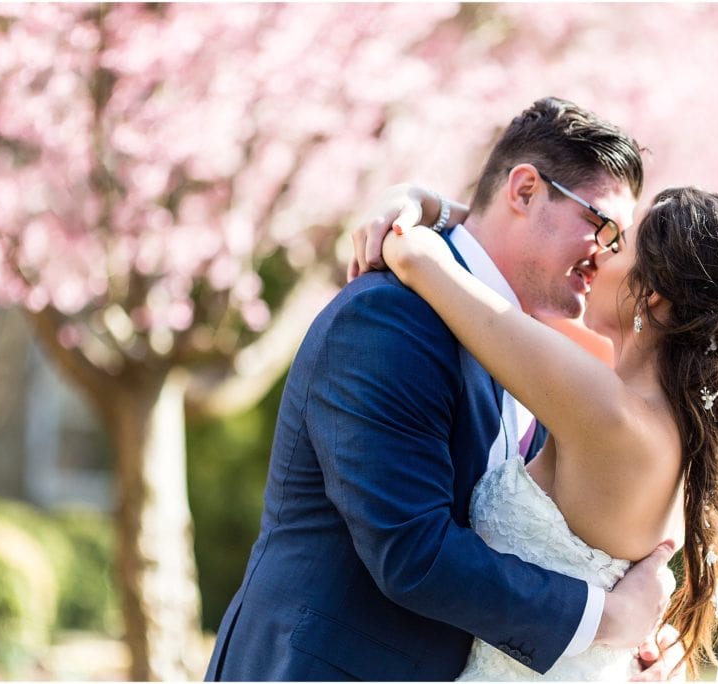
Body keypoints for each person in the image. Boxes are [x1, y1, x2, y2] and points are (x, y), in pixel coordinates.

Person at [204, 98, 682, 681]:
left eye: (618, 241)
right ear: (525, 190)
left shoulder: (525, 354)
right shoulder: (390, 316)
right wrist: (606, 619)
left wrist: (622, 651)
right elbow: (412, 552)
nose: (605, 257)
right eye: (600, 225)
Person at [353, 181, 718, 679]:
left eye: (620, 246)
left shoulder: (606, 410)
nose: (599, 251)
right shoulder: (684, 439)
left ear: (654, 296)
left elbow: (414, 253)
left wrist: (418, 200)